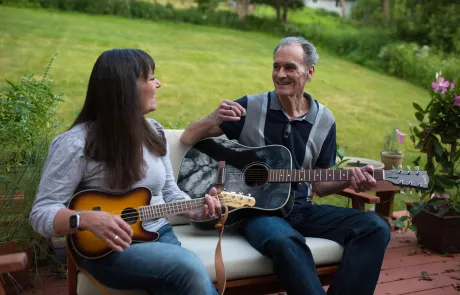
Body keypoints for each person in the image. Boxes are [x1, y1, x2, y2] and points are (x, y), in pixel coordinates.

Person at [180, 36, 391, 295]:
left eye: (290, 67)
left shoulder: (324, 120)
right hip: (255, 212)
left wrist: (351, 178)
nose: (280, 74)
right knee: (285, 240)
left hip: (302, 209)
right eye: (276, 66)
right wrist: (213, 117)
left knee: (375, 227)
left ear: (309, 72)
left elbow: (322, 186)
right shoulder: (251, 107)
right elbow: (188, 137)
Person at [30, 49, 221, 295]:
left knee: (180, 277)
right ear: (126, 88)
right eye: (151, 78)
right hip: (109, 250)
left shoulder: (153, 131)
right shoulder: (75, 143)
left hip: (160, 236)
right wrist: (86, 219)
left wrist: (196, 211)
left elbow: (170, 193)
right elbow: (41, 212)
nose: (158, 84)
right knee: (187, 266)